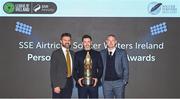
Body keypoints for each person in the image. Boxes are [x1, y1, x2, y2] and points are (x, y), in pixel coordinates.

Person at [100, 34, 129, 98]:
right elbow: (99, 67)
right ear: (106, 42)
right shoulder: (102, 53)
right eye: (109, 40)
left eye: (113, 40)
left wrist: (124, 81)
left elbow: (125, 68)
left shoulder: (122, 52)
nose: (110, 42)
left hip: (118, 83)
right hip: (106, 83)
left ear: (116, 42)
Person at [50, 33, 74, 98]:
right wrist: (55, 85)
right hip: (59, 84)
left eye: (69, 40)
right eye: (65, 40)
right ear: (61, 41)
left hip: (69, 83)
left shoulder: (72, 53)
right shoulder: (56, 53)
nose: (67, 42)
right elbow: (53, 71)